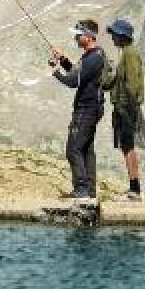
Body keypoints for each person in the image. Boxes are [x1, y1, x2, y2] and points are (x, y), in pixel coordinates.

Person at [50, 19, 105, 199]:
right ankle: (89, 191)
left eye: (78, 34)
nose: (75, 37)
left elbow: (73, 81)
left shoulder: (93, 58)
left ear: (89, 37)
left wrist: (56, 71)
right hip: (92, 108)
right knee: (86, 149)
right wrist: (64, 60)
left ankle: (81, 189)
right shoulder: (94, 56)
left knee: (73, 149)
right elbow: (79, 73)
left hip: (85, 110)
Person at [106, 18, 145, 201]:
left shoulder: (130, 54)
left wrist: (129, 108)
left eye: (114, 34)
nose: (112, 37)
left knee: (128, 147)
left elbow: (132, 84)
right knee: (126, 147)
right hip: (125, 108)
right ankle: (133, 188)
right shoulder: (127, 53)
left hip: (126, 109)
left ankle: (134, 190)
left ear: (122, 36)